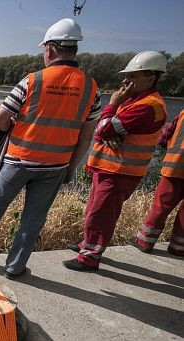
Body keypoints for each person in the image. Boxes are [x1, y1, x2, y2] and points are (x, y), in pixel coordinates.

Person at [0, 18, 101, 279]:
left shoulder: (33, 81)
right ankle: (14, 267)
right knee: (33, 219)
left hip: (18, 161)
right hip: (55, 167)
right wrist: (71, 168)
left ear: (49, 49)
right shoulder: (92, 89)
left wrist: (13, 124)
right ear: (75, 50)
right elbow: (86, 137)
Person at [64, 51, 168, 271]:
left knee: (101, 215)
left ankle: (90, 258)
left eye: (132, 76)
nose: (125, 81)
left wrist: (111, 107)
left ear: (151, 77)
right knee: (94, 210)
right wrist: (108, 128)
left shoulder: (148, 106)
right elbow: (103, 131)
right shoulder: (133, 101)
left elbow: (103, 127)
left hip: (120, 171)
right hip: (109, 168)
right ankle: (87, 246)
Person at [129, 109, 184, 256]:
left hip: (175, 167)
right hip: (175, 166)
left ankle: (144, 241)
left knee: (161, 206)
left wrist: (164, 145)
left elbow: (166, 135)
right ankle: (179, 247)